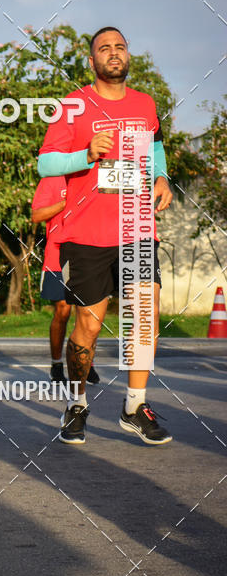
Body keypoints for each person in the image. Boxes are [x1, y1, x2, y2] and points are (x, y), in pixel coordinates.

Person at [38, 26, 173, 445]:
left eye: (119, 47)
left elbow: (155, 147)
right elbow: (45, 165)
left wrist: (163, 175)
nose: (113, 54)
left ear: (127, 55)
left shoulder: (145, 103)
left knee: (142, 314)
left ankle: (134, 405)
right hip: (87, 231)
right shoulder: (73, 106)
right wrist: (85, 154)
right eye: (104, 48)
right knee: (89, 327)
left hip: (136, 226)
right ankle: (76, 402)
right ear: (92, 59)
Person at [31, 176, 99, 386]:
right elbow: (37, 215)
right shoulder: (52, 179)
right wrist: (65, 203)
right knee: (62, 310)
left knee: (87, 311)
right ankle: (57, 363)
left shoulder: (91, 175)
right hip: (57, 254)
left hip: (86, 252)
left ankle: (86, 364)